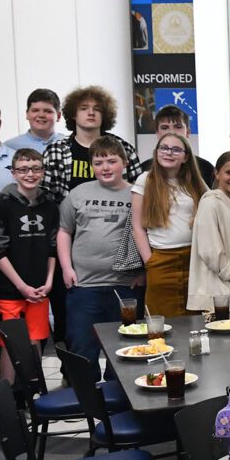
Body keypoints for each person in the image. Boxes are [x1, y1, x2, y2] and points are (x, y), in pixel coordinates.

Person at [56, 141, 139, 362]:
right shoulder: (78, 193)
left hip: (125, 286)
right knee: (82, 348)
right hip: (84, 286)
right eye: (98, 163)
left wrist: (144, 272)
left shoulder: (137, 194)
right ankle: (84, 386)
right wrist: (66, 267)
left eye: (112, 161)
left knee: (125, 349)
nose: (105, 167)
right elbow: (64, 231)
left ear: (125, 163)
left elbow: (148, 234)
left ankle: (117, 387)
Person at [0, 148, 60, 384]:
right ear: (14, 173)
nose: (30, 174)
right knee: (11, 343)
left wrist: (48, 281)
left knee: (35, 339)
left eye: (36, 169)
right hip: (9, 289)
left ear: (43, 171)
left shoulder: (50, 203)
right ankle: (10, 395)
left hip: (39, 289)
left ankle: (32, 391)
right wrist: (21, 286)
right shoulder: (0, 204)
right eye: (23, 169)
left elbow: (53, 247)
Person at [131, 133, 206, 317]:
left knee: (194, 319)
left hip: (193, 260)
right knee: (160, 320)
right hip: (161, 260)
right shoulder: (145, 180)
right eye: (163, 148)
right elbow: (137, 226)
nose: (168, 153)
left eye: (176, 149)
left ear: (186, 157)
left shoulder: (195, 182)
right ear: (156, 152)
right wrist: (150, 261)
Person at [187, 152, 230, 316]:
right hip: (215, 293)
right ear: (217, 173)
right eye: (229, 172)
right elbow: (210, 251)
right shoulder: (210, 203)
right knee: (219, 332)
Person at [43, 86, 137, 194]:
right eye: (84, 108)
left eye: (97, 109)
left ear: (104, 114)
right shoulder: (55, 151)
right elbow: (47, 195)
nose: (91, 113)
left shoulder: (124, 148)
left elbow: (139, 191)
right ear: (73, 114)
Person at [130, 106, 216, 184]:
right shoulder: (144, 169)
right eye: (165, 128)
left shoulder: (206, 169)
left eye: (178, 127)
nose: (171, 132)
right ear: (157, 133)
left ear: (188, 132)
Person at [3, 88, 68, 154]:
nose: (41, 115)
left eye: (48, 111)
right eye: (35, 110)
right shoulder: (9, 147)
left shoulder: (69, 144)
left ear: (58, 116)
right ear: (27, 114)